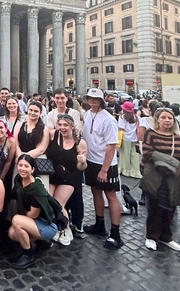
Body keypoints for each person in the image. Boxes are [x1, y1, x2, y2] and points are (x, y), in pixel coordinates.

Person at [82, 88, 123, 250]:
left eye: (95, 99)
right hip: (91, 161)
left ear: (101, 101)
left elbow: (111, 146)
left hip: (106, 163)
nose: (92, 101)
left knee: (111, 196)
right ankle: (100, 225)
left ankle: (116, 234)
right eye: (90, 98)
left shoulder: (108, 119)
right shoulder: (87, 114)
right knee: (95, 191)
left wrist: (104, 170)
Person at [141, 108, 180, 252]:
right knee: (154, 207)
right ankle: (151, 236)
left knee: (170, 207)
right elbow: (148, 153)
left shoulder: (178, 139)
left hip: (172, 178)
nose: (167, 120)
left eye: (170, 118)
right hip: (155, 176)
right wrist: (171, 163)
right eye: (164, 117)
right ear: (157, 120)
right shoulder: (151, 134)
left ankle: (166, 237)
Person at [8, 154, 62, 269]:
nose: (22, 168)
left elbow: (33, 214)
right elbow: (13, 196)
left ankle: (28, 255)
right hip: (33, 222)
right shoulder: (19, 179)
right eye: (20, 165)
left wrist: (19, 216)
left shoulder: (36, 188)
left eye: (26, 166)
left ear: (32, 169)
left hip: (47, 225)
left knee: (16, 221)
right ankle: (41, 243)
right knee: (12, 233)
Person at [46, 114, 87, 246]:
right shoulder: (53, 134)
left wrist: (83, 161)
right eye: (60, 125)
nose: (62, 128)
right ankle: (54, 228)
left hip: (68, 178)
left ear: (72, 126)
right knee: (47, 201)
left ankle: (66, 228)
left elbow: (81, 168)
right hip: (52, 174)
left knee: (58, 203)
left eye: (65, 125)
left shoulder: (80, 143)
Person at [118, 102, 141, 178]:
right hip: (134, 138)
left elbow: (121, 128)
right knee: (134, 155)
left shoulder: (122, 117)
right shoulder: (136, 117)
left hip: (125, 138)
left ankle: (125, 170)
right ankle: (135, 171)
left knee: (125, 155)